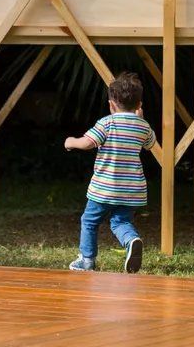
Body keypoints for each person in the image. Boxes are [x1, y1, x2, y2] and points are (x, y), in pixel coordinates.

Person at [64, 72, 156, 273]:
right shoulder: (143, 126)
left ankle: (87, 260)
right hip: (131, 190)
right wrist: (141, 119)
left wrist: (71, 141)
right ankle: (131, 240)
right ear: (139, 104)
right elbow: (150, 145)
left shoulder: (107, 123)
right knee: (121, 221)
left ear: (111, 104)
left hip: (104, 189)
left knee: (89, 221)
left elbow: (88, 143)